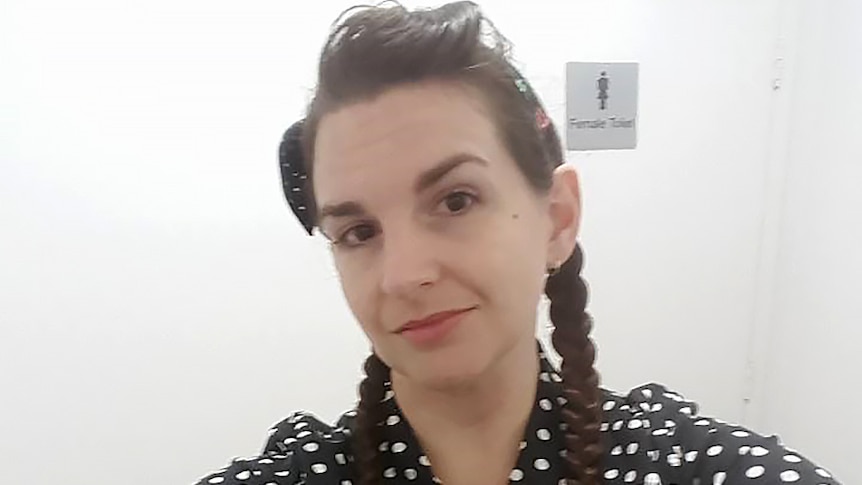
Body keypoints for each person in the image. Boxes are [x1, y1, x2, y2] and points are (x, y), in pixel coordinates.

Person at [195, 2, 841, 485]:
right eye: (359, 231)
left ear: (556, 218)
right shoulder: (302, 472)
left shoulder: (677, 464)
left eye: (455, 200)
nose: (403, 274)